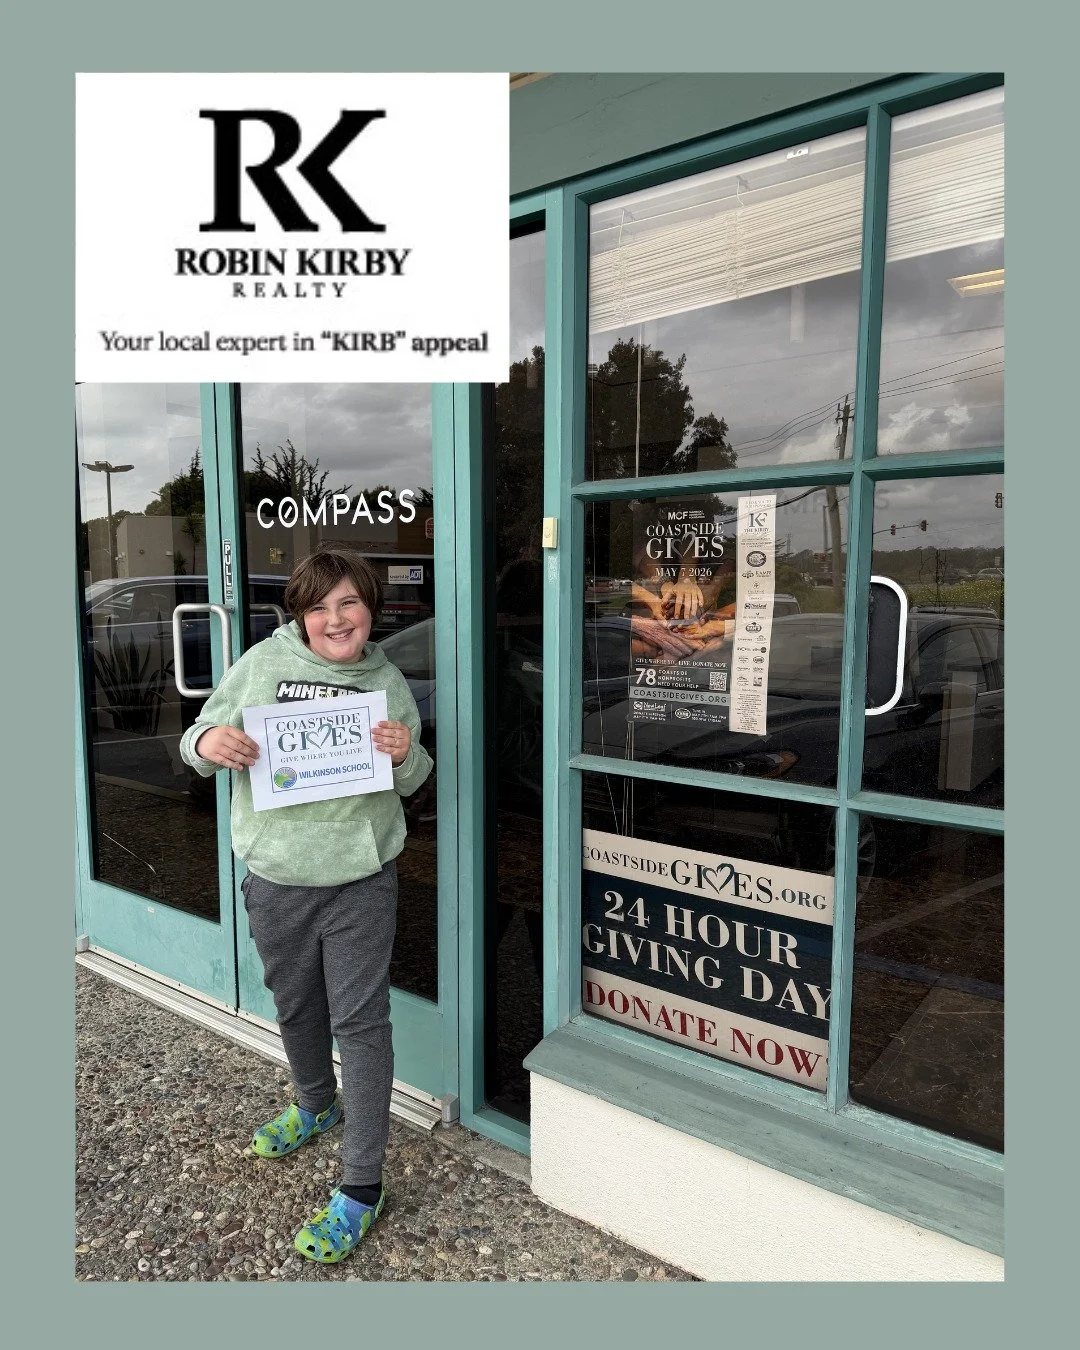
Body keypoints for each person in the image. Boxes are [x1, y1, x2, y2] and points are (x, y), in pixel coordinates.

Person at [179, 548, 432, 1265]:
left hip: (360, 879)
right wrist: (211, 740)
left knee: (361, 1024)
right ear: (300, 616)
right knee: (295, 1005)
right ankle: (316, 1103)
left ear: (371, 609)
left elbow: (414, 777)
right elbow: (196, 739)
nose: (335, 619)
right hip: (278, 877)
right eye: (319, 607)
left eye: (349, 603)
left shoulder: (386, 681)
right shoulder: (263, 664)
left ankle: (361, 1185)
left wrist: (404, 753)